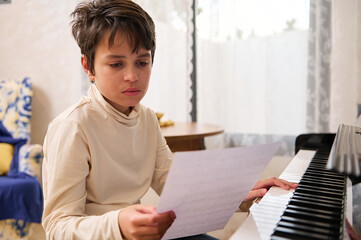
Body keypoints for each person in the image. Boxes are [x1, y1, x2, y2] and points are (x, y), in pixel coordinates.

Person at [41, 0, 297, 239]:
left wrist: (236, 193)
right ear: (88, 67)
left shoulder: (148, 120)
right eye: (117, 64)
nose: (132, 75)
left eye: (142, 62)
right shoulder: (72, 127)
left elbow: (177, 190)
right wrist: (118, 224)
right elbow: (57, 225)